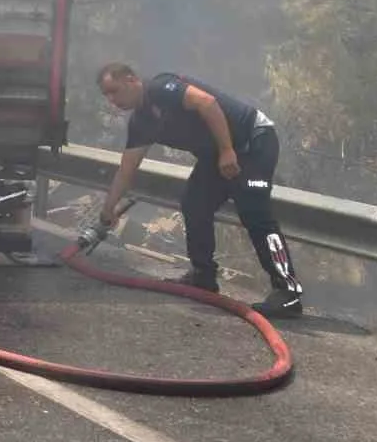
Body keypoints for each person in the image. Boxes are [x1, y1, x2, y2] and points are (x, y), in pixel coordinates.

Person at [91, 63, 304, 318]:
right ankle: (203, 278)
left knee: (255, 214)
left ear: (131, 79)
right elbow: (127, 169)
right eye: (107, 96)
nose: (113, 100)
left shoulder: (160, 87)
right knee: (194, 204)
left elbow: (207, 103)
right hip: (215, 154)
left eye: (114, 91)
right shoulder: (141, 123)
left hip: (253, 140)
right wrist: (108, 209)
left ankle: (288, 293)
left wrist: (227, 150)